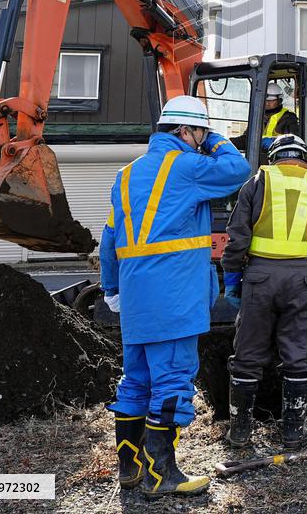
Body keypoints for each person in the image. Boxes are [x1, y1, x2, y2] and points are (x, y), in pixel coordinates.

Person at [99, 95, 251, 496]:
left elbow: (110, 236)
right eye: (199, 131)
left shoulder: (126, 174)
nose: (203, 139)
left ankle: (129, 472)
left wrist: (112, 288)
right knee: (171, 383)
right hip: (174, 295)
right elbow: (238, 169)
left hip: (135, 297)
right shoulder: (185, 165)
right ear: (185, 131)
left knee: (135, 382)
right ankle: (161, 476)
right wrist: (216, 138)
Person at [221, 133, 307, 449]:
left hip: (259, 278)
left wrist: (232, 279)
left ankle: (240, 433)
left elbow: (236, 238)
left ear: (273, 157)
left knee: (247, 355)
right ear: (305, 157)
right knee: (298, 356)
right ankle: (293, 433)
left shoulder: (257, 183)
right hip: (306, 281)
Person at [233, 81, 299, 154]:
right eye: (266, 100)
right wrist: (228, 142)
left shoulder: (288, 118)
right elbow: (246, 139)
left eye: (271, 101)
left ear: (280, 100)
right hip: (256, 158)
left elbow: (293, 140)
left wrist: (274, 141)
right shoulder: (257, 116)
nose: (267, 103)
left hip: (278, 159)